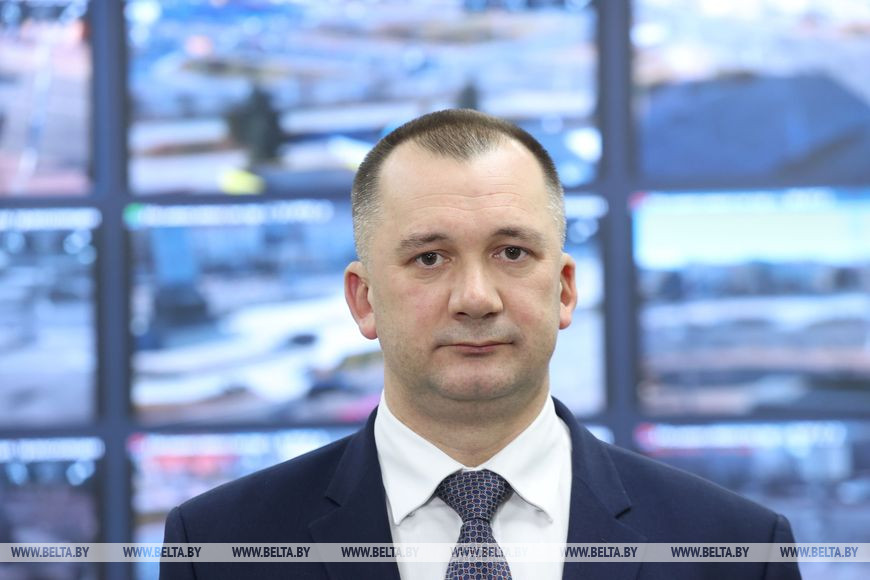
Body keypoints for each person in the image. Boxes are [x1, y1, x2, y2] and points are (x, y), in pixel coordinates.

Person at [160, 109, 801, 579]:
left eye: (512, 252)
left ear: (565, 290)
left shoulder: (736, 549)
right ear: (363, 299)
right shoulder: (216, 545)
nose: (476, 297)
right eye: (430, 258)